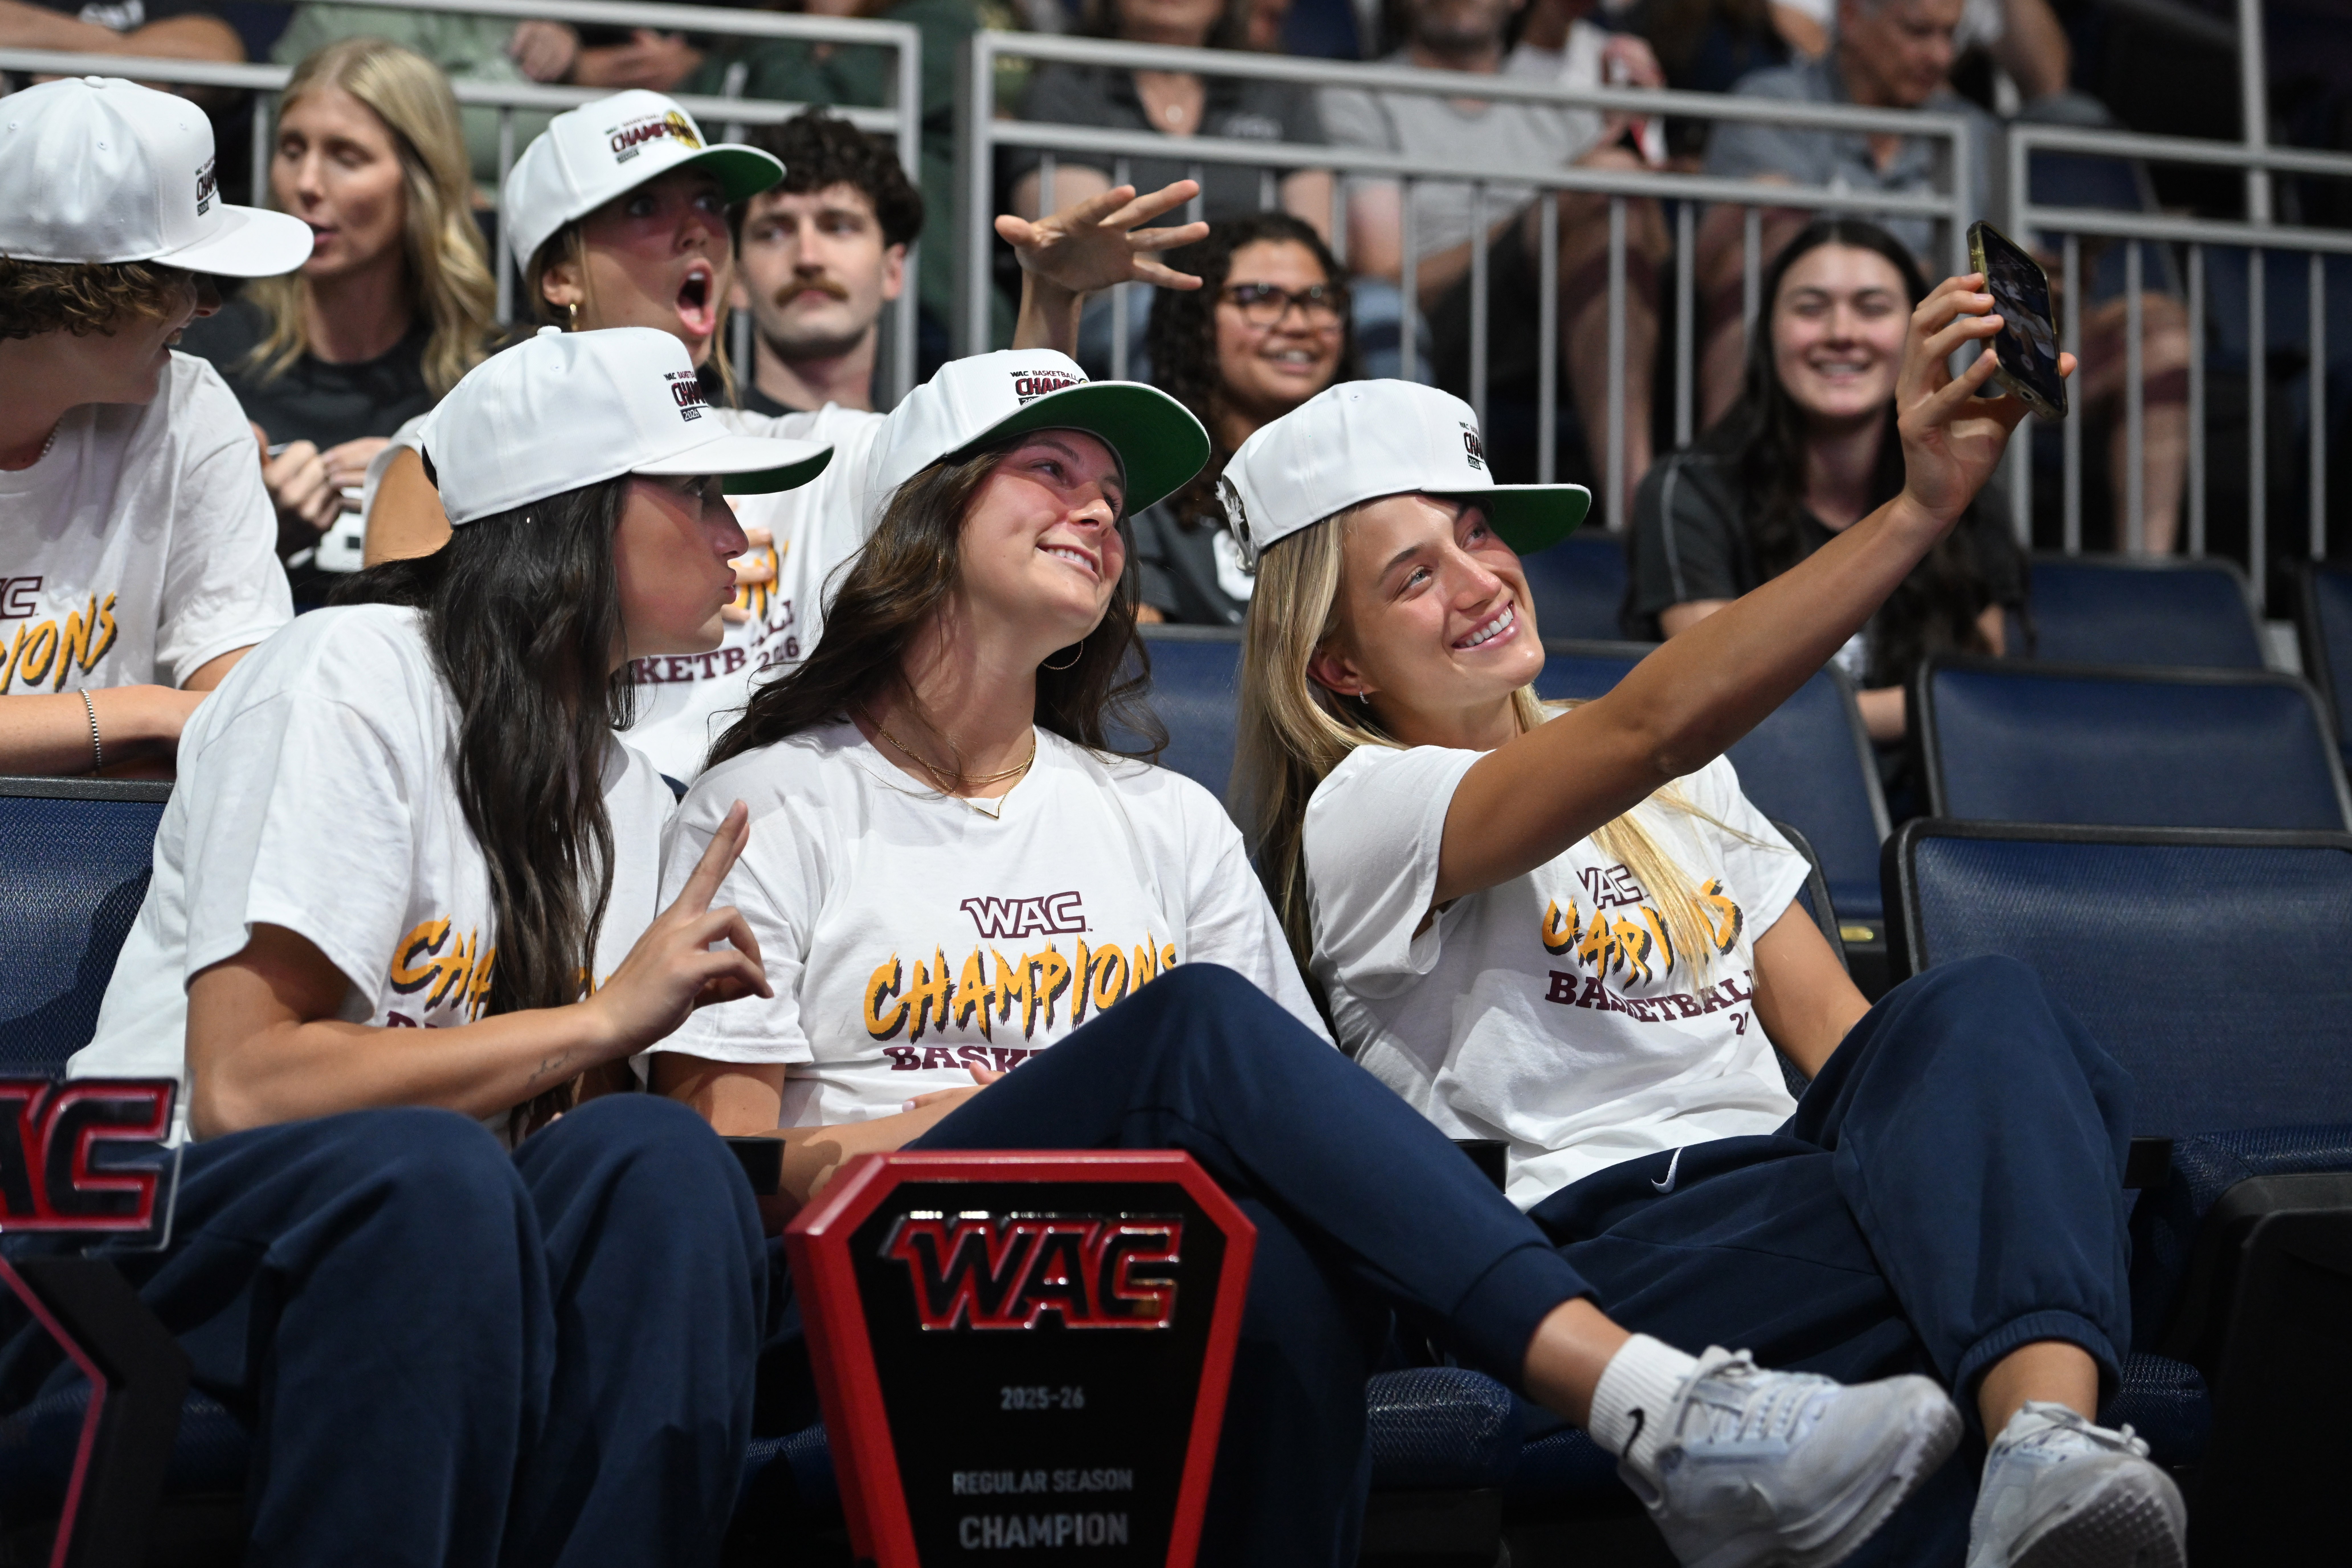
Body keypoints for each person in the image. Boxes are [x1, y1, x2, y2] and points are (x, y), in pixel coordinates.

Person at [649, 346, 1968, 1568]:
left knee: (1276, 1251)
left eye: (1112, 492)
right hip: (902, 1276)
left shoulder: (1156, 815)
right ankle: (1643, 1400)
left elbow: (1276, 1124)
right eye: (1049, 471)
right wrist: (959, 1126)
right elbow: (721, 1182)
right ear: (918, 521)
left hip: (1145, 1273)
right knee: (1188, 1027)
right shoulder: (771, 801)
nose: (1101, 509)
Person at [1226, 284, 2188, 1565]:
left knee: (1978, 1008)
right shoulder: (1364, 808)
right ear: (1338, 663)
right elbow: (1651, 722)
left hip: (1790, 1196)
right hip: (1590, 1260)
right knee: (2061, 1238)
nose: (1481, 579)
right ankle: (2041, 1397)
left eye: (1478, 534)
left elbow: (1847, 1045)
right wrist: (1918, 511)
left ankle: (2047, 1455)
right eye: (1414, 575)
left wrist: (1963, 1173)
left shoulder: (1684, 789)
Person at [51, 326, 828, 1562]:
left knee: (660, 1164)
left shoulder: (627, 789)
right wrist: (596, 1023)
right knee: (432, 1175)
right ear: (567, 513)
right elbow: (252, 1086)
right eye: (697, 492)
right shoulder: (350, 671)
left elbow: (580, 1147)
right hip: (149, 1235)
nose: (739, 535)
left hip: (442, 1245)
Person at [365, 88, 1214, 783]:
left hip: (780, 845)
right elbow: (420, 700)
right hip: (559, 828)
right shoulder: (450, 452)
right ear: (557, 275)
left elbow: (1001, 467)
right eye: (644, 206)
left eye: (709, 201)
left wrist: (1051, 300)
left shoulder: (803, 448)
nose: (697, 226)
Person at [1698, 0, 2188, 548]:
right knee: (1761, 246)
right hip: (1827, 351)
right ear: (1854, 19)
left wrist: (2047, 291)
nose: (1939, 55)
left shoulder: (1976, 133)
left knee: (2158, 327)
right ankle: (1723, 535)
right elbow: (1726, 258)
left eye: (1950, 36)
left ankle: (2148, 577)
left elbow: (2008, 287)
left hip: (1960, 361)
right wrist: (1937, 279)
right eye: (1917, 32)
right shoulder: (1770, 105)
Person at [1627, 219, 2026, 754]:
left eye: (1873, 307)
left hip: (1927, 809)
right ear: (1769, 332)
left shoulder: (1965, 489)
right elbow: (1714, 692)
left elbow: (1984, 688)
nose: (1842, 331)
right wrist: (1927, 709)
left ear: (1921, 336)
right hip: (1760, 794)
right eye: (1811, 308)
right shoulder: (1687, 490)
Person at [0, 77, 300, 777]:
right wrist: (145, 714)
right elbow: (192, 719)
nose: (209, 306)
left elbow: (245, 714)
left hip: (96, 874)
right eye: (182, 275)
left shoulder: (192, 407)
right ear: (75, 290)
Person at [1319, 0, 1668, 518]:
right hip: (1444, 324)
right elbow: (1385, 276)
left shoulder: (1565, 102)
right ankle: (1642, 514)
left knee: (1611, 204)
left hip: (1570, 318)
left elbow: (1655, 253)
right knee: (1597, 186)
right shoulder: (1360, 94)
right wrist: (1549, 209)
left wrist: (1646, 139)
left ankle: (1641, 511)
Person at [176, 38, 495, 599]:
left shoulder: (490, 385)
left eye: (347, 157)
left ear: (421, 180)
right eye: (293, 149)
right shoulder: (206, 353)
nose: (307, 185)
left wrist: (432, 499)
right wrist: (254, 532)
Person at [1009, 0, 1336, 376]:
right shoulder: (1067, 89)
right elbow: (1091, 242)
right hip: (1124, 298)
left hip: (1262, 298)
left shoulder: (1277, 91)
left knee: (1377, 307)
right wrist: (1223, 311)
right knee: (1145, 313)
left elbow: (1314, 242)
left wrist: (1250, 304)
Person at [1136, 211, 1361, 624]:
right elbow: (1141, 668)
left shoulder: (1376, 478)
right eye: (1259, 297)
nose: (1297, 324)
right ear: (1196, 319)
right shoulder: (1144, 483)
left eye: (1318, 299)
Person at [729, 109, 922, 420]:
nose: (808, 259)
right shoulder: (684, 457)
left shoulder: (934, 462)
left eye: (839, 227)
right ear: (736, 281)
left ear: (892, 271)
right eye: (773, 233)